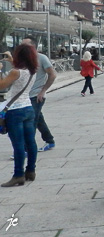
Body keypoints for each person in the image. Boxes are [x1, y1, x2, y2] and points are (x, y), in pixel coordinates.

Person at [0, 43, 38, 187]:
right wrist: (10, 60)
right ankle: (31, 171)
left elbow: (1, 86)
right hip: (28, 108)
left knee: (18, 145)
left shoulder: (15, 72)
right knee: (31, 142)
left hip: (15, 111)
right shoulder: (33, 70)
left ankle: (18, 175)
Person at [21, 36, 57, 152]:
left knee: (30, 122)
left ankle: (26, 149)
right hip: (25, 96)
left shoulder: (42, 58)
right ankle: (50, 141)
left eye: (25, 45)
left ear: (33, 46)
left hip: (36, 95)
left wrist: (43, 91)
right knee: (39, 120)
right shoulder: (23, 59)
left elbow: (52, 75)